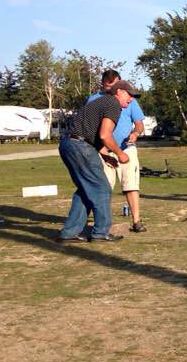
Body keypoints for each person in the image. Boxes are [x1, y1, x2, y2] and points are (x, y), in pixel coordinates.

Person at [57, 83, 131, 242]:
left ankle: (69, 233)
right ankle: (100, 232)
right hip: (80, 146)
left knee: (86, 189)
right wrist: (120, 153)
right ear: (119, 92)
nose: (131, 99)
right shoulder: (113, 103)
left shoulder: (101, 101)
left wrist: (106, 156)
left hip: (68, 144)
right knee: (102, 188)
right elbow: (105, 135)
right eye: (129, 95)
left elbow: (92, 133)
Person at [87, 72, 146, 232]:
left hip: (127, 148)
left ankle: (137, 221)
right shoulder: (94, 100)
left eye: (117, 84)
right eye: (110, 85)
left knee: (131, 185)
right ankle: (101, 223)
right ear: (103, 83)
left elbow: (139, 124)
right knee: (103, 187)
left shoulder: (129, 99)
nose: (114, 88)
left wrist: (135, 133)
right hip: (103, 150)